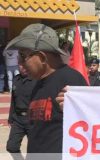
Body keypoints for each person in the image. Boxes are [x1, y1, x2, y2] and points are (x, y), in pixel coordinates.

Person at [5, 23, 87, 159]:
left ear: (42, 58)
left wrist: (76, 109)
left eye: (23, 55)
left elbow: (91, 125)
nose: (19, 61)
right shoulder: (37, 83)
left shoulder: (71, 80)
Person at [6, 62, 37, 160]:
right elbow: (13, 100)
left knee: (33, 150)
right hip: (18, 119)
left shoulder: (36, 80)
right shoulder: (16, 79)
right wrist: (10, 118)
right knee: (11, 146)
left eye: (25, 65)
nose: (22, 67)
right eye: (20, 65)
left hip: (32, 119)